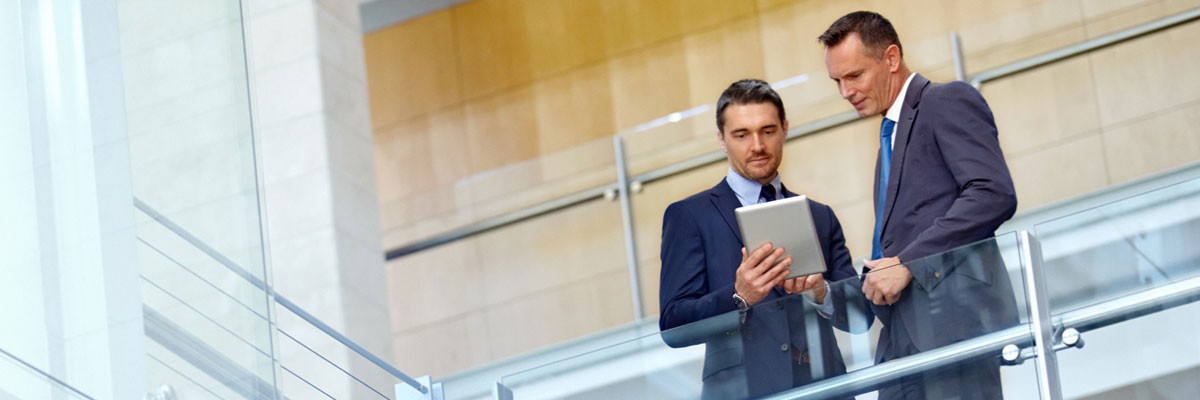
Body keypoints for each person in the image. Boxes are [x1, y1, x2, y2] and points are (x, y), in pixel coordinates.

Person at [819, 11, 1020, 400]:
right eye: (837, 81)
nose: (846, 91)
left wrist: (909, 262)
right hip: (901, 339)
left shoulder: (946, 101)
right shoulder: (888, 139)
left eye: (855, 76)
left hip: (954, 330)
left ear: (891, 58)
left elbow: (993, 192)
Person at [658, 79, 870, 399]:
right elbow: (674, 326)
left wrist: (820, 292)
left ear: (784, 128)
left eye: (767, 131)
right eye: (741, 135)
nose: (757, 145)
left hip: (824, 389)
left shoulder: (819, 215)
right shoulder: (689, 217)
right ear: (722, 139)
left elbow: (860, 317)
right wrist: (738, 296)